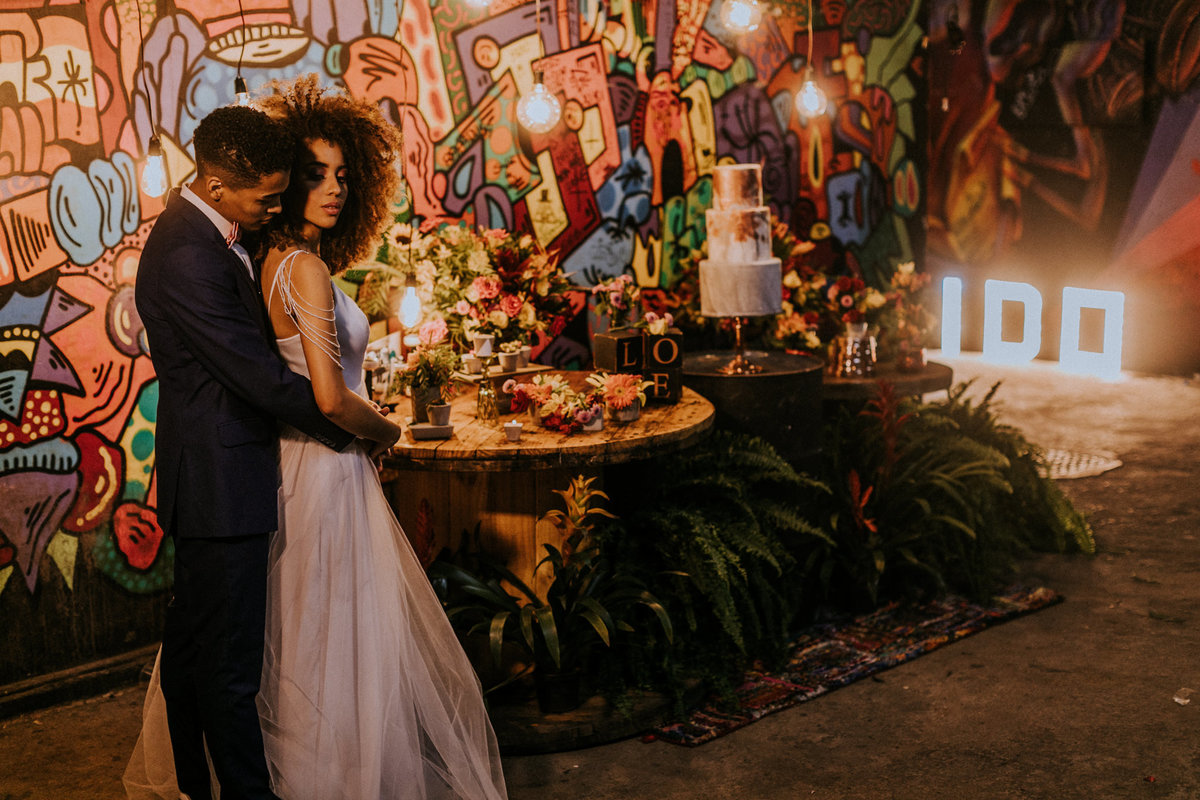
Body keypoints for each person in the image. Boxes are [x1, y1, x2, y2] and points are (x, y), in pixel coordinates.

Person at [129, 104, 377, 800]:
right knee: (230, 670)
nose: (275, 205)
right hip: (221, 480)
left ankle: (190, 786)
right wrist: (352, 426)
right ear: (215, 187)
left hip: (215, 472)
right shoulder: (186, 256)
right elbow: (258, 375)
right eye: (266, 195)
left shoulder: (210, 234)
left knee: (189, 656)